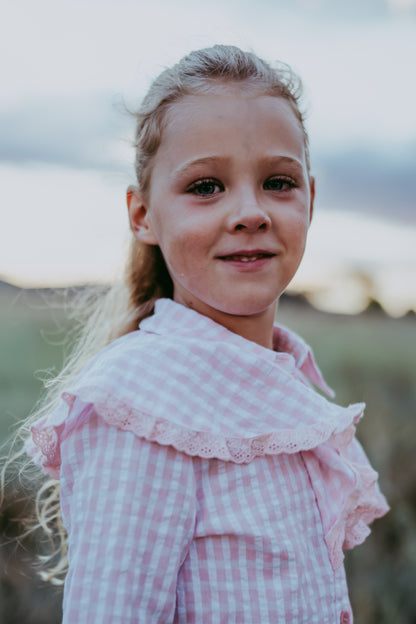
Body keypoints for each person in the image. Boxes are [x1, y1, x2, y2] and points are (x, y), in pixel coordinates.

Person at [20, 45, 388, 622]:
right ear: (143, 215)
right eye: (206, 187)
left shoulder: (288, 387)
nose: (249, 211)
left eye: (277, 181)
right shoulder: (142, 405)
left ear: (310, 199)